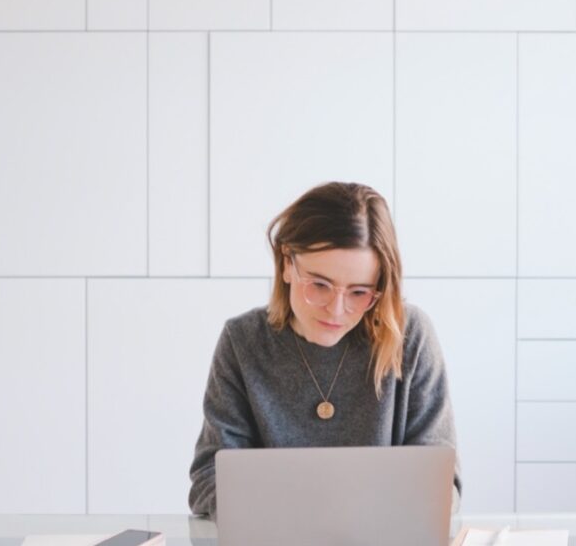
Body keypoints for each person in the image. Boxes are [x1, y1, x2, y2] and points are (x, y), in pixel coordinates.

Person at [187, 181, 461, 518]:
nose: (336, 310)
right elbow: (207, 482)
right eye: (319, 285)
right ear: (287, 263)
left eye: (359, 292)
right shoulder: (243, 341)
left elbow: (442, 489)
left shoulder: (410, 337)